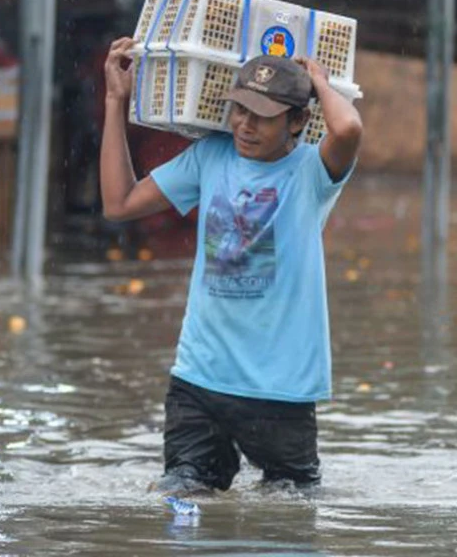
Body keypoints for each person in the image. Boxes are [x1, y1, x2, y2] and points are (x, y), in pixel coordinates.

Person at [100, 37, 363, 494]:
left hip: (280, 390)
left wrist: (318, 80)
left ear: (298, 121)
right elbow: (119, 203)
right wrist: (114, 102)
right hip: (199, 378)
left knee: (289, 508)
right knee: (178, 497)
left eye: (263, 116)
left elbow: (348, 131)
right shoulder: (210, 156)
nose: (245, 125)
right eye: (240, 109)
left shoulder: (311, 173)